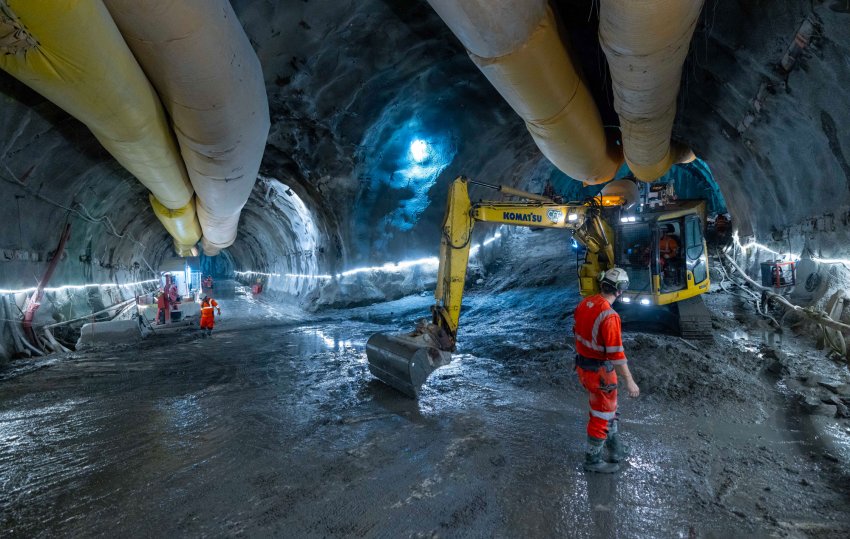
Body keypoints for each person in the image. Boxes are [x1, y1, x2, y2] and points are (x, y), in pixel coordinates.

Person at [573, 267, 640, 473]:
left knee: (607, 410)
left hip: (584, 368)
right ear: (620, 290)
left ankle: (615, 449)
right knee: (601, 415)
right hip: (600, 373)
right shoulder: (609, 316)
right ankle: (592, 460)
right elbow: (616, 354)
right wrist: (629, 380)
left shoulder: (585, 303)